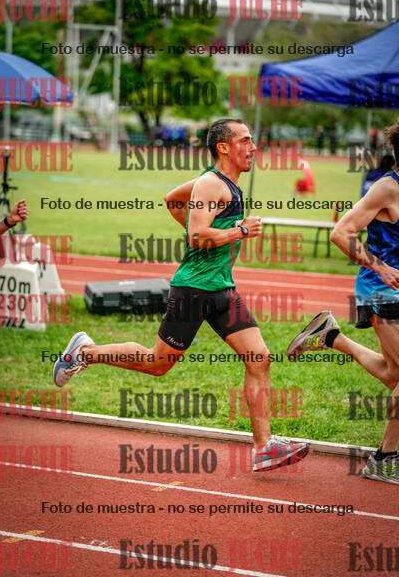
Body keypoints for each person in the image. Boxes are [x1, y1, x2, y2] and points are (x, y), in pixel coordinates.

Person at [53, 118, 309, 473]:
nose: (253, 147)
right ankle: (84, 352)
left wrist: (208, 229)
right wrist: (238, 230)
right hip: (193, 290)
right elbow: (196, 237)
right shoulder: (210, 183)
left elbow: (172, 199)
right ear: (224, 147)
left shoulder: (224, 183)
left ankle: (264, 447)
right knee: (158, 364)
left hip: (222, 288)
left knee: (259, 358)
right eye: (246, 140)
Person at [287, 122, 399, 484]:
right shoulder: (387, 188)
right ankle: (384, 459)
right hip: (382, 290)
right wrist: (381, 267)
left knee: (393, 375)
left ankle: (331, 336)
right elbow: (341, 232)